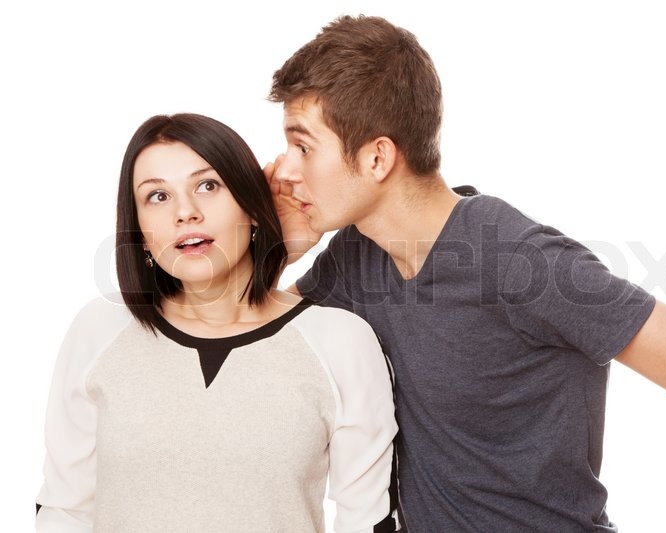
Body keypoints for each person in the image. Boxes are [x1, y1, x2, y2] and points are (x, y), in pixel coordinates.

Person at [265, 15, 666, 532]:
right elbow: (262, 349)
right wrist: (280, 252)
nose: (283, 169)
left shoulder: (516, 259)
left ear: (377, 158)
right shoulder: (357, 255)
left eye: (303, 147)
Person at [36, 113, 398, 532]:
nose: (185, 212)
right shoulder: (99, 330)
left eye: (207, 186)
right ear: (140, 230)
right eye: (157, 196)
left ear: (252, 205)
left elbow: (366, 520)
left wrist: (273, 254)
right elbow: (64, 510)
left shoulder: (340, 342)